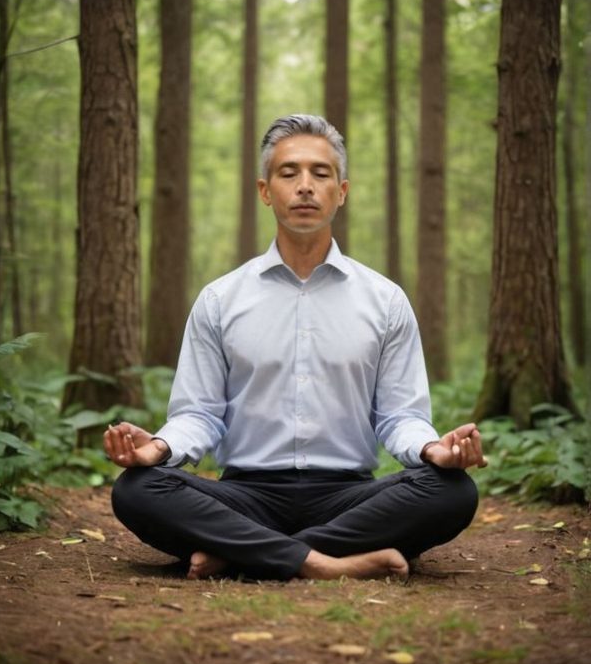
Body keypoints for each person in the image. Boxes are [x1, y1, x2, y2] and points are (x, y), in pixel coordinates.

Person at [104, 114, 485, 583]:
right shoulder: (220, 300)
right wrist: (158, 448)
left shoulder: (385, 301)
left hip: (349, 497)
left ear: (341, 191)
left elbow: (399, 416)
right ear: (266, 191)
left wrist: (433, 450)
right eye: (289, 173)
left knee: (454, 491)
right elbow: (199, 414)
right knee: (137, 488)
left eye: (320, 173)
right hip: (245, 496)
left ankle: (240, 554)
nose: (305, 186)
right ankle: (329, 562)